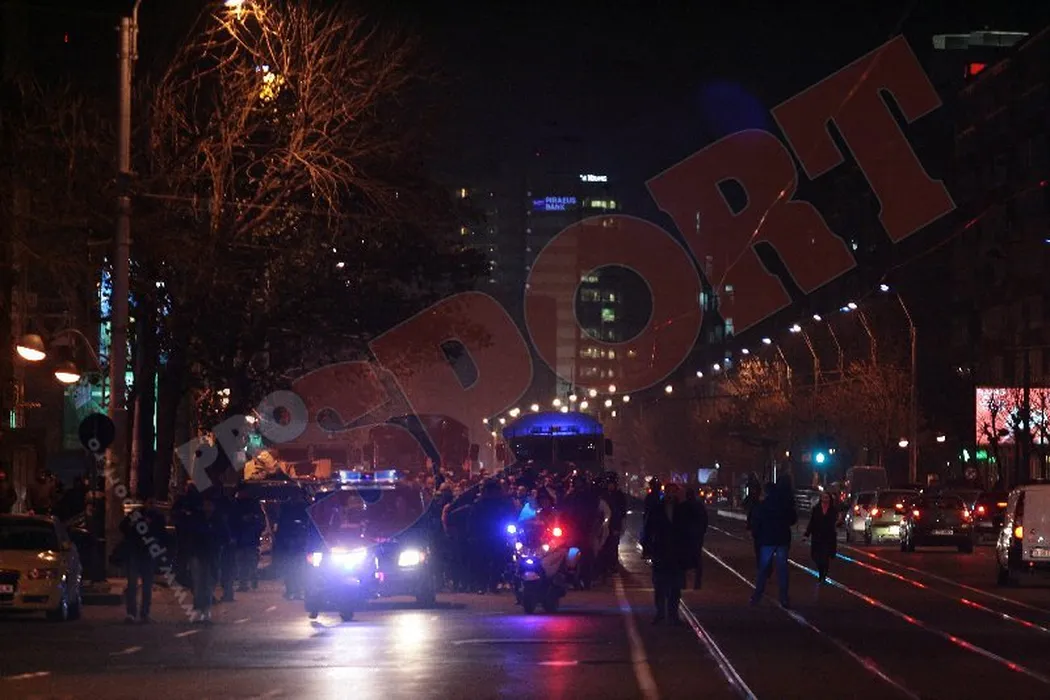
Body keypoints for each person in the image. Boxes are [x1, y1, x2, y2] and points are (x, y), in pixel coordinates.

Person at [640, 483, 692, 625]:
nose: (671, 495)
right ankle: (660, 613)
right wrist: (647, 549)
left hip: (677, 553)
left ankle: (673, 614)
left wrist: (688, 551)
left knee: (675, 586)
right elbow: (648, 529)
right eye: (669, 492)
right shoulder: (656, 509)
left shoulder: (683, 510)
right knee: (660, 584)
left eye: (673, 492)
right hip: (660, 551)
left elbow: (688, 532)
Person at [749, 482, 797, 608]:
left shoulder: (762, 506)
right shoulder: (784, 504)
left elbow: (756, 522)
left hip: (767, 540)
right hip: (782, 539)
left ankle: (757, 595)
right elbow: (793, 519)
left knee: (763, 568)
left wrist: (756, 535)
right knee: (782, 569)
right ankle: (784, 597)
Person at [119, 498, 167, 623]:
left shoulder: (157, 517)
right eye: (149, 502)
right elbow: (123, 527)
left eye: (153, 502)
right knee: (133, 584)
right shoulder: (137, 514)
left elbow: (162, 533)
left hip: (147, 553)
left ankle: (144, 613)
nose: (151, 505)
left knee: (146, 584)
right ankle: (132, 613)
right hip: (136, 551)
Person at [804, 491, 838, 585]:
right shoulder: (816, 509)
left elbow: (835, 522)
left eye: (827, 497)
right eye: (823, 497)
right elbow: (812, 522)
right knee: (816, 556)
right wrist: (806, 534)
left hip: (828, 537)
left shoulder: (833, 510)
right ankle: (820, 570)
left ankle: (823, 575)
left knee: (825, 556)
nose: (825, 499)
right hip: (817, 536)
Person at [684, 486, 709, 590]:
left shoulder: (684, 506)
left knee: (684, 558)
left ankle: (683, 582)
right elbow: (705, 520)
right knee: (697, 558)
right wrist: (702, 531)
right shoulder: (699, 506)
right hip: (697, 536)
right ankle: (697, 582)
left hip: (686, 536)